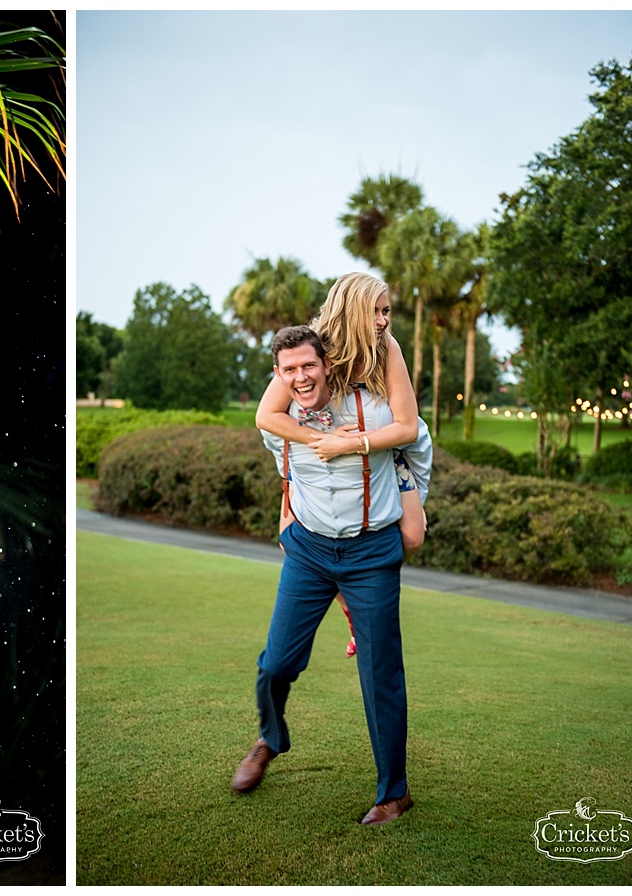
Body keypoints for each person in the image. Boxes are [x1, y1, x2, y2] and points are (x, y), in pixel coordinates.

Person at [232, 325, 430, 826]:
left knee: (381, 672)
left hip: (371, 553)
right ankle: (269, 739)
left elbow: (412, 442)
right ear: (277, 375)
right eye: (290, 370)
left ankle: (394, 793)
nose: (301, 377)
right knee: (276, 662)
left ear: (327, 364)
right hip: (309, 551)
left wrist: (412, 512)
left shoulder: (376, 409)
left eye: (309, 366)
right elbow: (287, 474)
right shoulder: (280, 421)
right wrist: (285, 524)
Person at [257, 272, 428, 657]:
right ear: (352, 309)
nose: (383, 320)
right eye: (375, 311)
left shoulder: (387, 347)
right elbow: (267, 415)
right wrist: (324, 442)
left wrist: (351, 443)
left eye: (386, 311)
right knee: (291, 540)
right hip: (317, 446)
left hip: (382, 446)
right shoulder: (316, 345)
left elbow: (407, 426)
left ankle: (358, 591)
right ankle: (349, 609)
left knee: (414, 535)